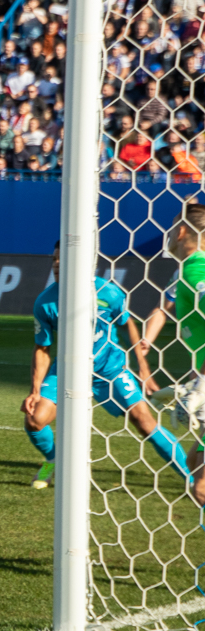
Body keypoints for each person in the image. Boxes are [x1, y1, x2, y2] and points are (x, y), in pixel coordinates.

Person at [22, 241, 190, 491]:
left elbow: (126, 323)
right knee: (34, 419)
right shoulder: (45, 302)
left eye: (62, 258)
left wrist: (143, 369)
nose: (57, 264)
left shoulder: (108, 293)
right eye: (54, 259)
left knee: (143, 421)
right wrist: (35, 390)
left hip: (110, 369)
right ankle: (53, 460)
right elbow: (42, 348)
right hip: (68, 370)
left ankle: (192, 478)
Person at [154, 204, 205, 505]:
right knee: (193, 463)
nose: (170, 236)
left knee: (201, 486)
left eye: (173, 229)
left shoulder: (196, 268)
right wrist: (193, 379)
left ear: (183, 231)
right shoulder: (186, 270)